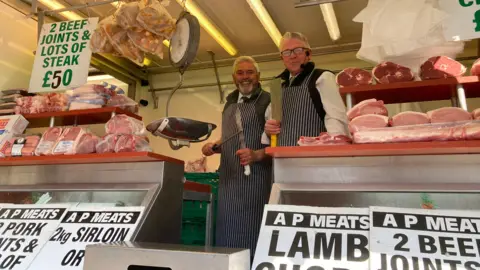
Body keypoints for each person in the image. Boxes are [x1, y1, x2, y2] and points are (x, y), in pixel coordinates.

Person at [202, 56, 271, 259]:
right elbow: (231, 135)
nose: (245, 77)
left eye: (250, 72)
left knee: (253, 232)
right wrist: (215, 146)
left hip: (257, 181)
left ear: (258, 76)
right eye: (240, 73)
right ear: (234, 78)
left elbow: (278, 143)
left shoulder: (267, 100)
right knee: (227, 231)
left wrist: (256, 154)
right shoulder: (230, 101)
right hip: (229, 180)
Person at [264, 32, 349, 146]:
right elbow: (272, 127)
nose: (292, 56)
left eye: (298, 50)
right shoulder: (276, 86)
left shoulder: (322, 77)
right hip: (282, 159)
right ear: (282, 58)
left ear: (309, 54)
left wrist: (336, 148)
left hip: (313, 159)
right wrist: (269, 131)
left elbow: (336, 118)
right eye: (287, 52)